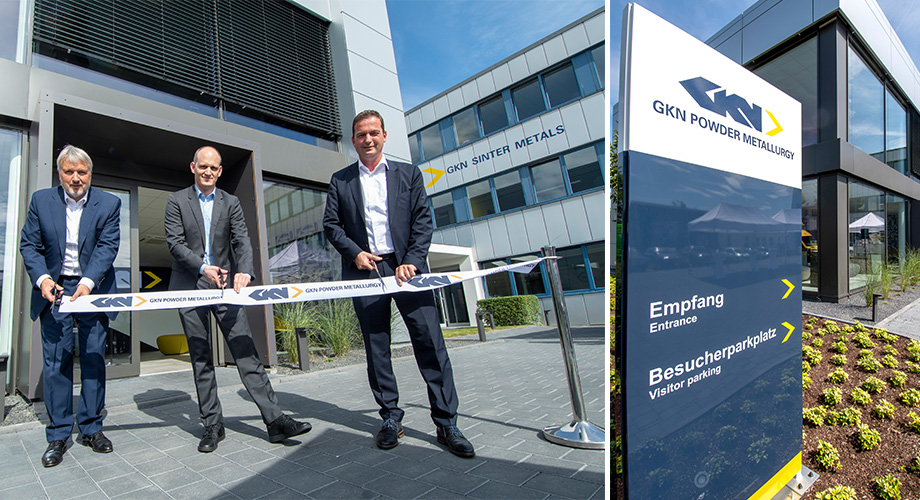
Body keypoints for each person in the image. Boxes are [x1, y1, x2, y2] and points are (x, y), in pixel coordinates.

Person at [323, 110, 475, 458]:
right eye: (361, 134)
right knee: (377, 349)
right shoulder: (341, 180)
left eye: (374, 133)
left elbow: (423, 221)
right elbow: (332, 225)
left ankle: (446, 422)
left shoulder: (408, 174)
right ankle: (390, 417)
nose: (368, 140)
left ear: (384, 135)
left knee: (430, 342)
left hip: (406, 267)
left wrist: (413, 260)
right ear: (353, 139)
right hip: (365, 269)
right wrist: (355, 253)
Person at [165, 145, 311, 453]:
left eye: (213, 168)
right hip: (189, 284)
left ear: (219, 171)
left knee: (245, 348)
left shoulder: (230, 202)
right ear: (193, 167)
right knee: (201, 356)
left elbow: (241, 240)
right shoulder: (176, 200)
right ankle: (212, 424)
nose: (207, 172)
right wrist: (203, 267)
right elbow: (175, 244)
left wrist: (245, 272)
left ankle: (274, 421)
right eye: (202, 166)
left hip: (224, 285)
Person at [20, 145, 121, 467]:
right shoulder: (40, 201)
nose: (76, 178)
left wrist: (87, 283)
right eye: (69, 171)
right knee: (56, 362)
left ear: (91, 174)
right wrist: (43, 280)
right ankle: (58, 434)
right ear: (59, 173)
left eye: (82, 172)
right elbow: (30, 245)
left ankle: (92, 428)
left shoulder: (109, 203)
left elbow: (107, 247)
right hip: (54, 287)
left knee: (93, 359)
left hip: (92, 286)